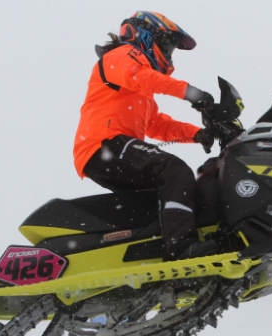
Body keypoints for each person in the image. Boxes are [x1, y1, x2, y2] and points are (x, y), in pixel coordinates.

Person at [74, 11, 219, 261]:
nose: (169, 55)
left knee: (161, 193)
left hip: (106, 149)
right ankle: (181, 248)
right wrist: (193, 94)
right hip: (104, 143)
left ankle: (147, 253)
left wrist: (198, 134)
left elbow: (154, 124)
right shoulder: (121, 56)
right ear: (145, 34)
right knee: (175, 172)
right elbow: (141, 77)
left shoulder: (138, 91)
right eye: (167, 45)